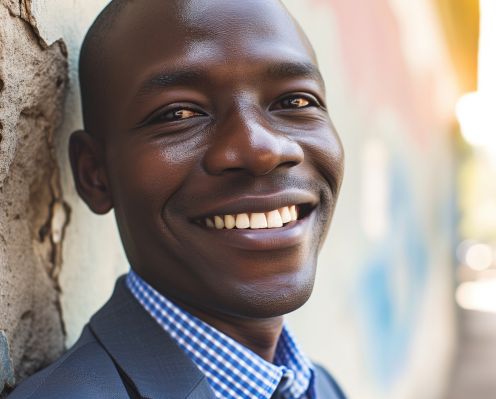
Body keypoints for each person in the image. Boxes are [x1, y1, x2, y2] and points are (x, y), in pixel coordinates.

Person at [8, 0, 345, 398]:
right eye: (179, 113)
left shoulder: (321, 386)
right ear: (95, 175)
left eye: (295, 102)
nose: (262, 150)